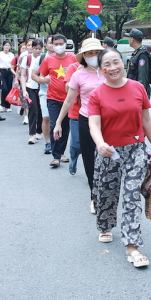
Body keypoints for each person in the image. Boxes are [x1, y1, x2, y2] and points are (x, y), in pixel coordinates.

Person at [89, 47, 151, 268]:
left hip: (135, 150)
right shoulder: (97, 94)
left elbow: (146, 120)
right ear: (101, 69)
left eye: (116, 62)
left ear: (124, 63)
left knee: (132, 196)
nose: (113, 67)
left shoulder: (138, 88)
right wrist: (100, 143)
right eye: (107, 64)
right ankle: (105, 225)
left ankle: (132, 246)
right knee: (106, 194)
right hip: (109, 151)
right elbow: (94, 124)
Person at [54, 38, 105, 198]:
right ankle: (94, 196)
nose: (94, 56)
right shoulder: (78, 75)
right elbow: (69, 100)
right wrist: (58, 122)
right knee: (90, 160)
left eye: (97, 52)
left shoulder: (108, 71)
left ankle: (106, 193)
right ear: (83, 55)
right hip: (86, 120)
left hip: (108, 121)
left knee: (108, 158)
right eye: (90, 53)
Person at [34, 34, 78, 168]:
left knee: (65, 126)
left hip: (69, 99)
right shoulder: (48, 59)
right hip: (53, 98)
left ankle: (62, 152)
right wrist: (44, 80)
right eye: (56, 44)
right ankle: (56, 156)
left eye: (61, 44)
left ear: (66, 44)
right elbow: (39, 76)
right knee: (54, 125)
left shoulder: (73, 58)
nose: (58, 46)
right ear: (52, 45)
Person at [20, 39, 43, 144]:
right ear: (32, 48)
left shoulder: (44, 58)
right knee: (33, 110)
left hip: (42, 87)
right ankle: (32, 134)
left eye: (39, 49)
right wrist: (24, 90)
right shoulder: (27, 58)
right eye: (35, 48)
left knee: (41, 110)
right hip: (30, 87)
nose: (37, 51)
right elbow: (23, 75)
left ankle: (39, 130)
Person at [125, 28, 151, 98]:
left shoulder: (142, 55)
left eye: (129, 38)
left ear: (132, 39)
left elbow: (142, 77)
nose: (128, 40)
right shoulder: (137, 53)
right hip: (133, 90)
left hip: (138, 93)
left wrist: (139, 95)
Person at [0, 40, 16, 113]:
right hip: (2, 71)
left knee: (9, 89)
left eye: (8, 45)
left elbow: (13, 64)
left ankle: (8, 106)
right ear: (3, 46)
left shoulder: (11, 55)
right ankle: (2, 104)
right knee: (4, 89)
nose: (7, 47)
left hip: (9, 72)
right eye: (6, 45)